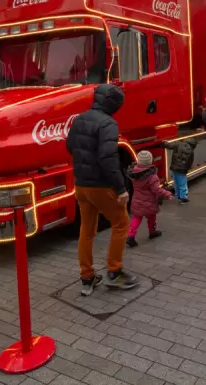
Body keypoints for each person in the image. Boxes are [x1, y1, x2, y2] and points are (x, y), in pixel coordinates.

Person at [66, 84, 137, 296]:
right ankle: (114, 272)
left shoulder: (79, 119)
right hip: (101, 186)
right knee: (121, 222)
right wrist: (120, 188)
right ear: (113, 104)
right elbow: (108, 158)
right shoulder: (108, 123)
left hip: (81, 185)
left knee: (86, 231)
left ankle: (87, 277)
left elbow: (70, 146)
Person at [126, 151, 172, 248]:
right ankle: (152, 231)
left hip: (137, 200)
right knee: (151, 217)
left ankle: (130, 236)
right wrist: (167, 194)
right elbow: (157, 190)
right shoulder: (152, 177)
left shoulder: (133, 173)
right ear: (150, 161)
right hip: (149, 201)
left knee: (137, 218)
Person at [162, 136, 197, 204]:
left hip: (174, 167)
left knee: (176, 182)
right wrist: (188, 168)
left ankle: (178, 195)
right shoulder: (191, 151)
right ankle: (183, 197)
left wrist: (164, 142)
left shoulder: (179, 144)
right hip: (182, 169)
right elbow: (190, 161)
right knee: (182, 183)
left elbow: (169, 145)